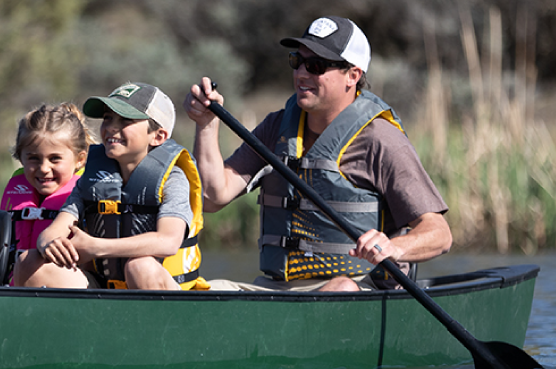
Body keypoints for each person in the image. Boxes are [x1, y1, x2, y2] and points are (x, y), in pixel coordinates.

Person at [184, 16, 452, 292]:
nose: (301, 74)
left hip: (357, 290)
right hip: (277, 289)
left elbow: (439, 234)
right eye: (296, 61)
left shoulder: (381, 140)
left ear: (353, 75)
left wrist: (394, 247)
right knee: (197, 292)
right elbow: (212, 197)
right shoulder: (276, 128)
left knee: (340, 289)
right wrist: (206, 125)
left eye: (315, 66)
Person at [15, 82, 207, 290]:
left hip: (164, 288)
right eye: (108, 118)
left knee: (139, 266)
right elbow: (53, 231)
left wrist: (97, 247)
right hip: (106, 286)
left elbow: (168, 242)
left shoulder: (173, 179)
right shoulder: (94, 178)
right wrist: (47, 243)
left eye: (125, 120)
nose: (111, 127)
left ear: (158, 136)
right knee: (29, 260)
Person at [0, 102, 94, 286]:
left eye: (55, 159)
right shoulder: (17, 188)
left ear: (80, 159)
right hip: (14, 283)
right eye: (33, 158)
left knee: (30, 260)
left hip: (69, 284)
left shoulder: (88, 194)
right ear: (20, 157)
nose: (44, 169)